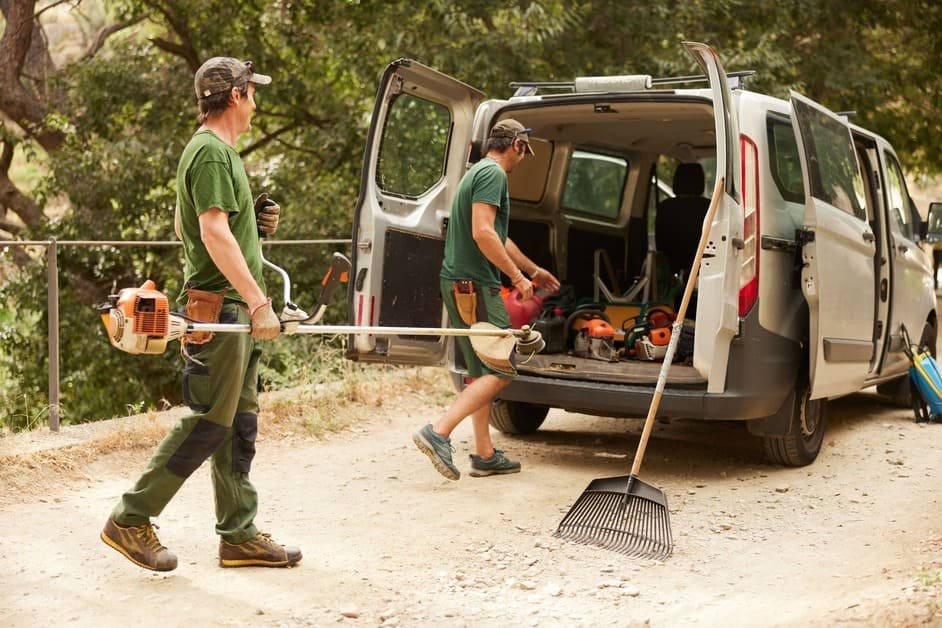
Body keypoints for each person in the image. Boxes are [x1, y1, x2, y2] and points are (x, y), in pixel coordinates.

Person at [101, 57, 300, 572]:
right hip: (223, 310)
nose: (257, 100)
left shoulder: (222, 154)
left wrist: (252, 220)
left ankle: (239, 534)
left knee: (239, 424)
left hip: (235, 309)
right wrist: (259, 302)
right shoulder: (211, 153)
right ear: (235, 95)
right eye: (252, 92)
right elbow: (211, 234)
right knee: (209, 421)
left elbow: (204, 223)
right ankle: (130, 517)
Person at [412, 119, 560, 480]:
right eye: (525, 151)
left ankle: (484, 453)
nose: (523, 158)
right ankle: (439, 431)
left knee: (481, 370)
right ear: (518, 146)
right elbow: (483, 233)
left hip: (460, 282)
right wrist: (516, 278)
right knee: (501, 369)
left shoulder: (479, 171)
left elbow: (497, 235)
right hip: (475, 284)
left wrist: (533, 269)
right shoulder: (494, 175)